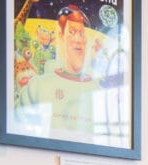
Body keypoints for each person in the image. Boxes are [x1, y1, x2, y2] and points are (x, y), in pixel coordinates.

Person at [14, 5, 104, 139]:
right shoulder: (38, 86)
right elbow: (17, 127)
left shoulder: (100, 90)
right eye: (72, 32)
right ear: (61, 37)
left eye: (82, 34)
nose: (78, 40)